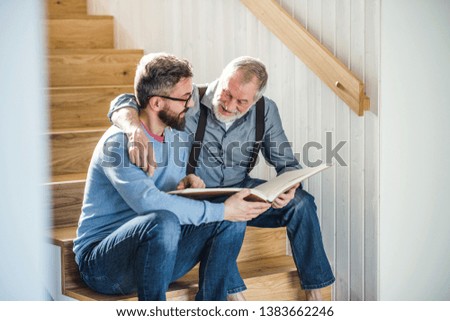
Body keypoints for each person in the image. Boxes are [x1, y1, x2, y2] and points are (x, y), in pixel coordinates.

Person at [108, 56, 335, 301]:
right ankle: (232, 291)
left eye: (242, 102)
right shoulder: (188, 98)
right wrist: (133, 129)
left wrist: (290, 185)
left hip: (240, 186)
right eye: (226, 94)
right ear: (220, 80)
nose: (229, 105)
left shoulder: (265, 110)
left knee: (302, 203)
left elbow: (287, 162)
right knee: (227, 218)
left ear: (255, 100)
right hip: (200, 192)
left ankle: (315, 290)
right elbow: (130, 99)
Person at [73, 53, 270, 301]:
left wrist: (187, 184)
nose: (191, 104)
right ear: (156, 104)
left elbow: (164, 194)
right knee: (165, 221)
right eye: (185, 98)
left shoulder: (176, 136)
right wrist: (220, 211)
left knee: (234, 217)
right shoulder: (118, 144)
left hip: (157, 254)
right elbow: (150, 204)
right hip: (104, 267)